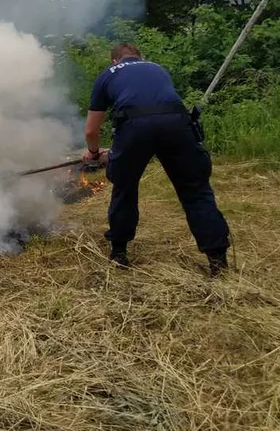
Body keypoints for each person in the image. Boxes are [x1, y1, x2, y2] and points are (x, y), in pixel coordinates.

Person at [81, 44, 231, 276]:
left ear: (114, 60)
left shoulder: (108, 75)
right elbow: (157, 111)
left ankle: (119, 253)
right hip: (177, 124)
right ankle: (218, 261)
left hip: (134, 127)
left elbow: (92, 131)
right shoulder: (158, 68)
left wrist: (92, 154)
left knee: (125, 187)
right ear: (141, 56)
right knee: (196, 190)